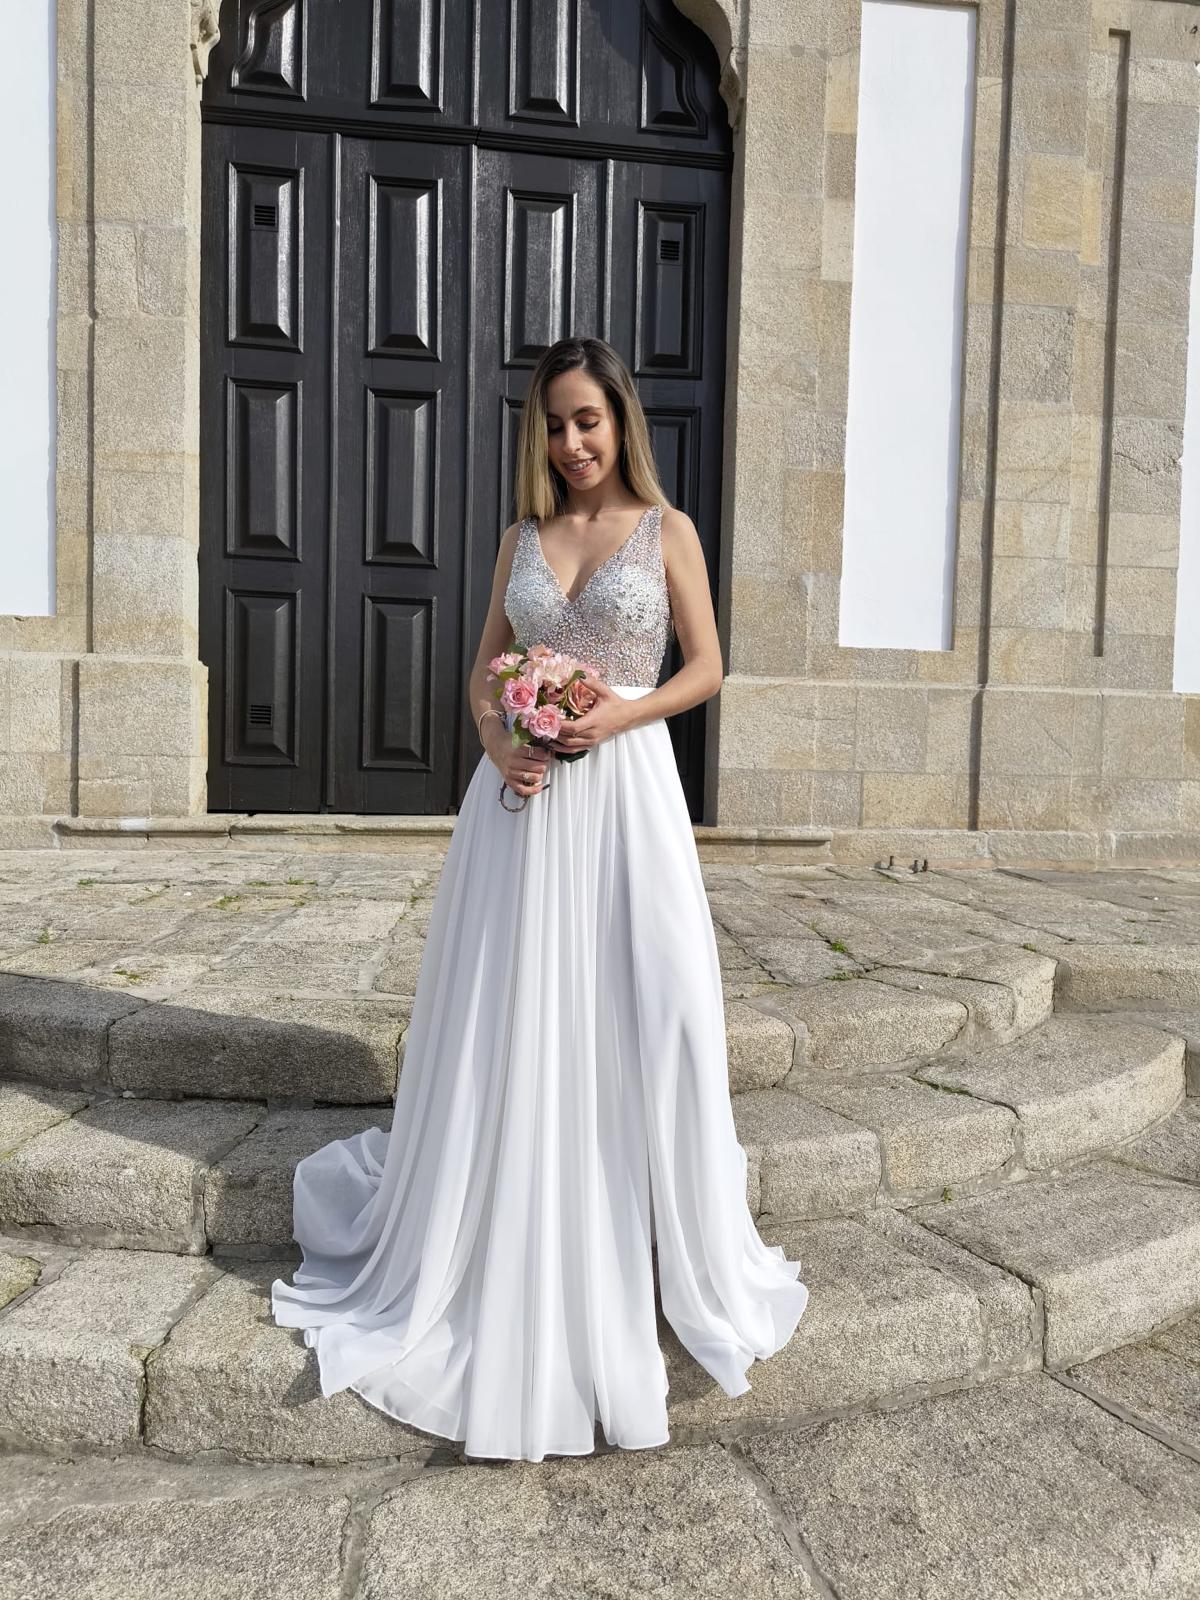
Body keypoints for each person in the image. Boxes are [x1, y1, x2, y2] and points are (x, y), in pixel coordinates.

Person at [270, 335, 809, 1463]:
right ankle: (498, 1221)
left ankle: (647, 1230)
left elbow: (708, 666)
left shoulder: (669, 535)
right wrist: (496, 733)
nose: (570, 444)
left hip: (626, 804)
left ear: (621, 423)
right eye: (555, 425)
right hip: (516, 812)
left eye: (588, 422)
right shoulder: (522, 537)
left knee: (646, 1011)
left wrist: (614, 712)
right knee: (507, 1016)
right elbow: (483, 669)